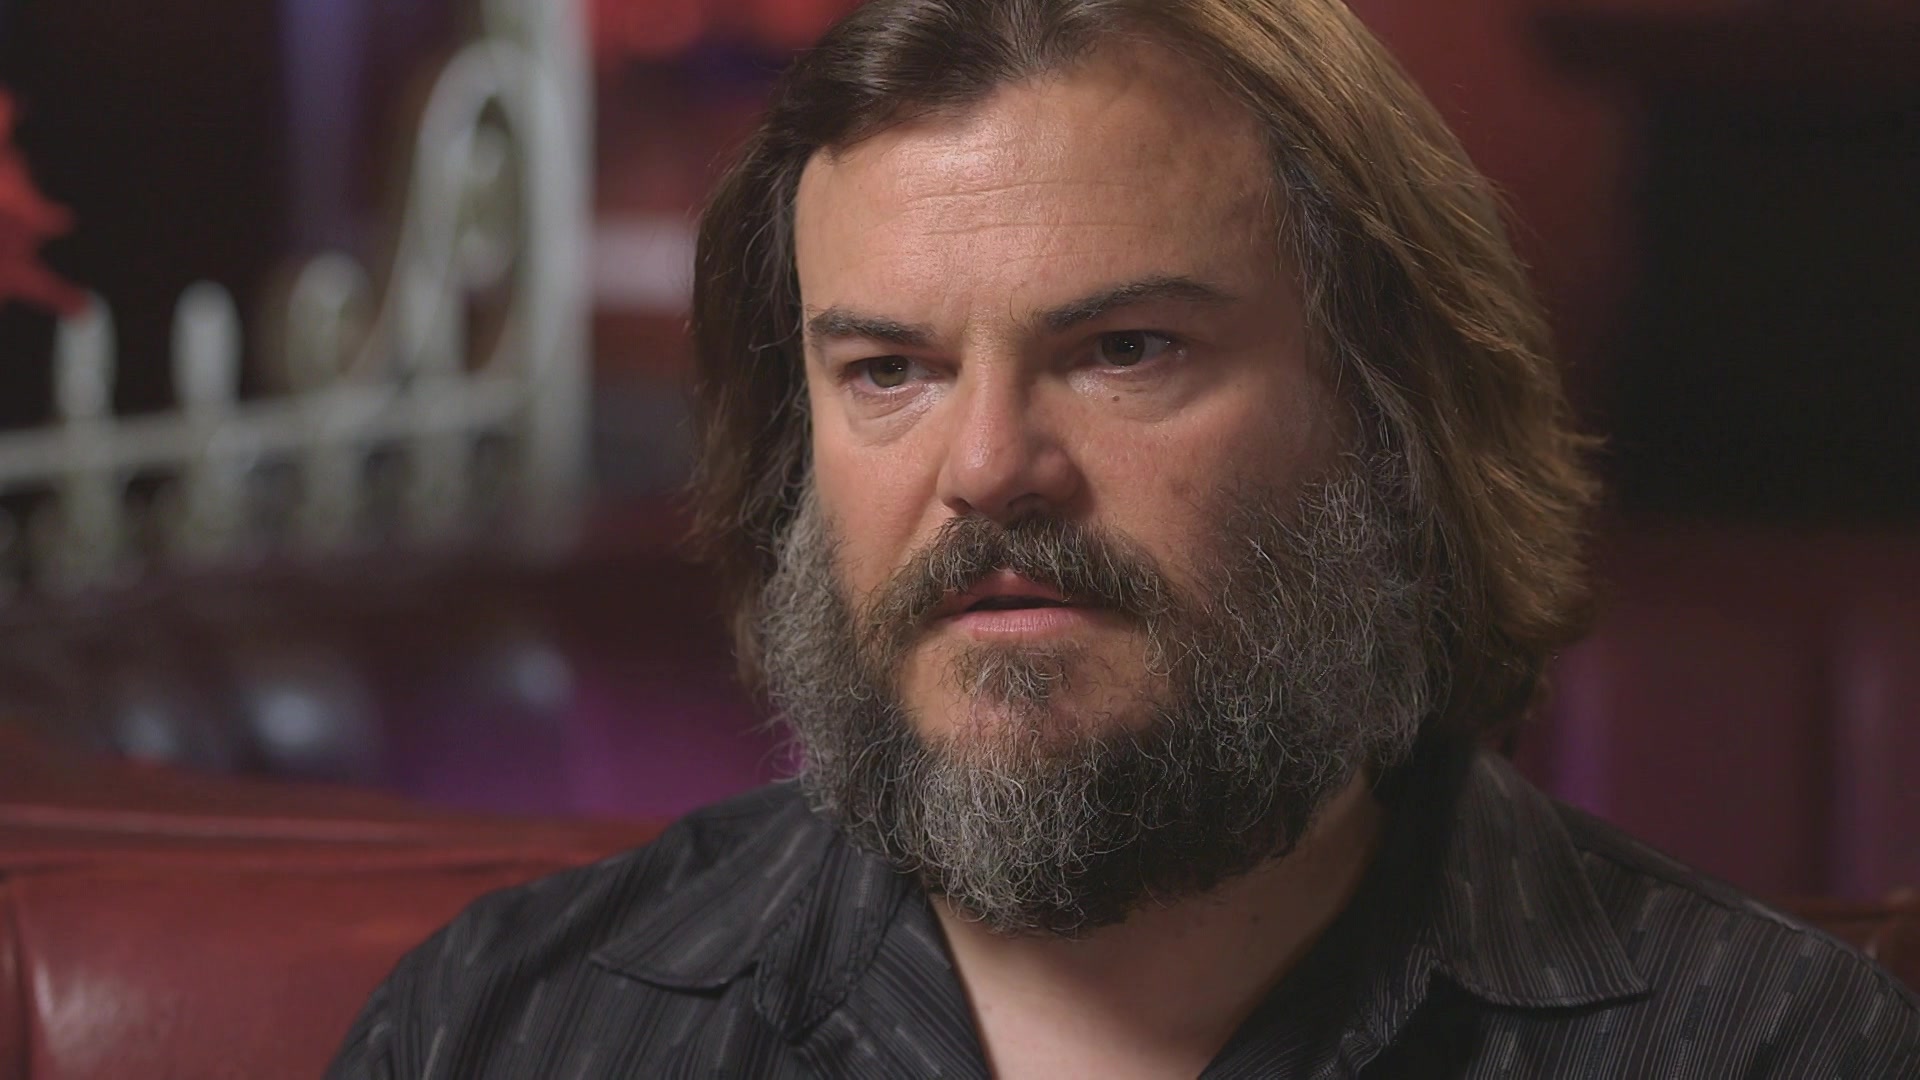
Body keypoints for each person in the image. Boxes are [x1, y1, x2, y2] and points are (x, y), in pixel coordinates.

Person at [327, 1, 1920, 1075]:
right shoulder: (509, 1029)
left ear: (1394, 414)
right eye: (888, 370)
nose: (987, 469)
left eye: (1124, 351)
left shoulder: (1770, 1050)